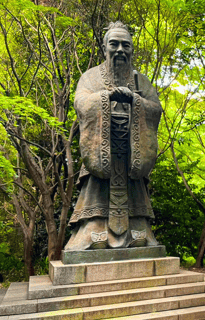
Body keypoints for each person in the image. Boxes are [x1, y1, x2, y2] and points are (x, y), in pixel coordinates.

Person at [65, 22, 162, 250]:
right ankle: (93, 232)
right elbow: (81, 103)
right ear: (104, 47)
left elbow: (155, 109)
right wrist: (105, 97)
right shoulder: (90, 77)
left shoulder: (142, 81)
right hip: (102, 153)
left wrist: (134, 101)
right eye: (114, 44)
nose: (120, 49)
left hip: (131, 154)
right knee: (96, 197)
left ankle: (138, 233)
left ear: (131, 50)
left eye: (125, 45)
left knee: (135, 201)